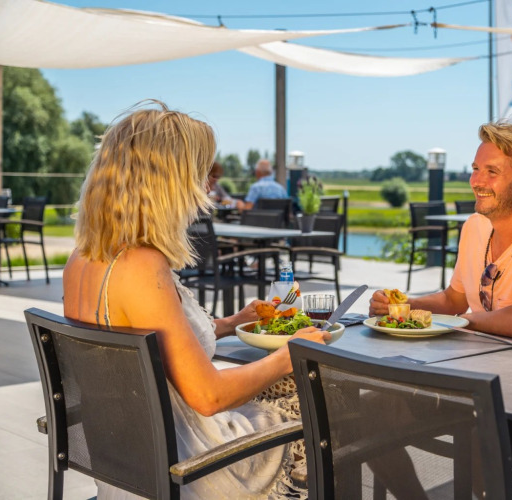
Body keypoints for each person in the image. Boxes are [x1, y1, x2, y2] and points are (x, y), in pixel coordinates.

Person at [63, 100, 329, 499]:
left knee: (300, 395)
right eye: (200, 173)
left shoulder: (84, 258)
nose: (207, 187)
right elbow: (209, 397)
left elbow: (150, 343)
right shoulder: (140, 266)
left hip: (129, 457)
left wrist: (228, 323)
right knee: (337, 411)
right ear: (167, 179)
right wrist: (290, 352)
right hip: (191, 465)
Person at [370, 122, 512, 347]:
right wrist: (403, 307)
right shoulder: (475, 226)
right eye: (476, 169)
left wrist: (459, 323)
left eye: (492, 172)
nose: (476, 182)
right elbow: (454, 299)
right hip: (476, 361)